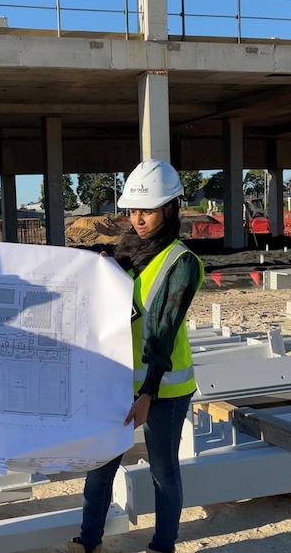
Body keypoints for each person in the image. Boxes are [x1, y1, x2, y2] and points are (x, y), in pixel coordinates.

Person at [69, 159, 203, 553]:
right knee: (101, 465)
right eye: (132, 210)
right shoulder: (124, 254)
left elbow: (162, 331)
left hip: (164, 387)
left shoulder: (182, 263)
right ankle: (87, 540)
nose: (137, 218)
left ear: (170, 209)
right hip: (116, 382)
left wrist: (147, 393)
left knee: (163, 471)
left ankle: (163, 545)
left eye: (147, 210)